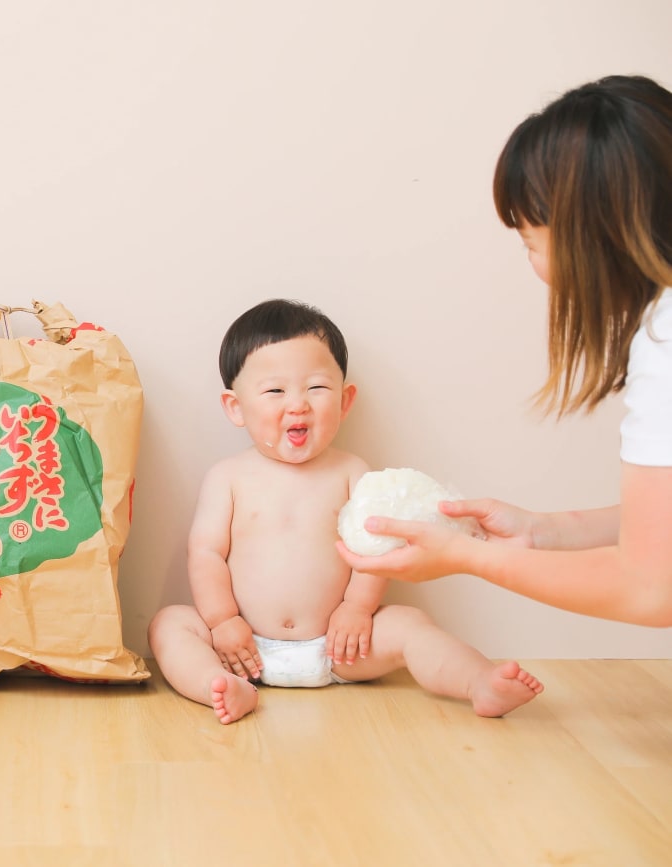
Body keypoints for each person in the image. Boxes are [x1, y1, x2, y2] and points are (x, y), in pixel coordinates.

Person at [336, 74, 672, 629]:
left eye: (530, 242)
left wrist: (465, 557)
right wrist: (540, 531)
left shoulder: (664, 339)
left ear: (593, 234)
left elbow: (651, 587)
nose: (534, 264)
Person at [148, 299, 544, 724]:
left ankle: (478, 681)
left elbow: (376, 549)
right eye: (275, 391)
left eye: (316, 388)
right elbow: (206, 553)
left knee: (410, 624)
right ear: (235, 407)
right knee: (169, 624)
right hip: (243, 648)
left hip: (340, 645)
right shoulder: (227, 477)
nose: (298, 405)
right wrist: (222, 620)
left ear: (345, 399)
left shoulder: (353, 473)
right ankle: (220, 686)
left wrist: (356, 609)